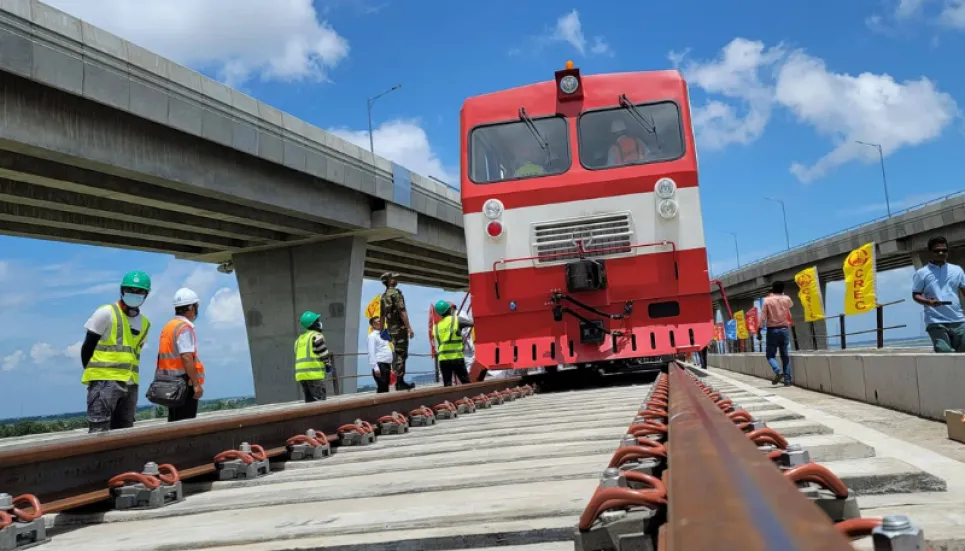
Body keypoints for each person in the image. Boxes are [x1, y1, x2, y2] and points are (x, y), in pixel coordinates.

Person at [80, 270, 153, 433]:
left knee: (125, 431)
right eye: (130, 290)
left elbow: (134, 353)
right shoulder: (106, 313)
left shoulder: (145, 324)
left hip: (130, 384)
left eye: (139, 291)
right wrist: (95, 375)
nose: (134, 294)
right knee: (99, 430)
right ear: (122, 291)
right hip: (103, 382)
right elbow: (87, 347)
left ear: (146, 294)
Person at [154, 288, 205, 422]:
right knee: (185, 423)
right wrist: (196, 383)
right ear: (191, 307)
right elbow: (186, 357)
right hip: (183, 384)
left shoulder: (169, 326)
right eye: (196, 307)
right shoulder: (184, 328)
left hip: (169, 384)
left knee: (175, 421)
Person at [912, 236, 965, 353]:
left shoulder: (957, 270)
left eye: (944, 250)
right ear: (930, 252)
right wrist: (927, 302)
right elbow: (915, 294)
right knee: (944, 351)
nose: (941, 253)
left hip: (958, 320)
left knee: (962, 355)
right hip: (935, 320)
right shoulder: (922, 273)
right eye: (937, 251)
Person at [379, 272, 415, 391]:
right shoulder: (396, 294)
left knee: (396, 354)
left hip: (390, 329)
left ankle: (398, 380)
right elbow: (402, 311)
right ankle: (400, 382)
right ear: (390, 281)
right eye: (394, 278)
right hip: (399, 329)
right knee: (401, 354)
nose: (396, 280)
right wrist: (409, 327)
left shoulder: (383, 296)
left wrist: (382, 330)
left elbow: (382, 314)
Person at [758, 280, 794, 386]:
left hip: (772, 330)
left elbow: (763, 317)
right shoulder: (787, 299)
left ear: (773, 289)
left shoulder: (767, 301)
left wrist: (758, 331)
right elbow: (790, 307)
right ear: (783, 289)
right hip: (784, 329)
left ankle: (778, 371)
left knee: (770, 355)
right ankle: (787, 380)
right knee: (785, 356)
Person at [294, 310, 334, 402]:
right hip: (313, 374)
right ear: (314, 324)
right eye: (318, 321)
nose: (320, 323)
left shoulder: (299, 339)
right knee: (319, 401)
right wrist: (328, 365)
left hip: (301, 375)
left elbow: (297, 353)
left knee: (309, 402)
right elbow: (323, 353)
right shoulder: (316, 336)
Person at [433, 300, 474, 386]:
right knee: (465, 382)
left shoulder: (436, 326)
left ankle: (448, 399)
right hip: (456, 357)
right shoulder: (456, 320)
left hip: (443, 359)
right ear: (449, 310)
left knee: (447, 385)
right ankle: (470, 397)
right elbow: (472, 324)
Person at [367, 316, 393, 393]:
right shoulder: (372, 336)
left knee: (386, 387)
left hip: (387, 364)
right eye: (379, 321)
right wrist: (375, 367)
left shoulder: (383, 335)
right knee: (382, 387)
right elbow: (371, 352)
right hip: (380, 365)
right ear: (373, 325)